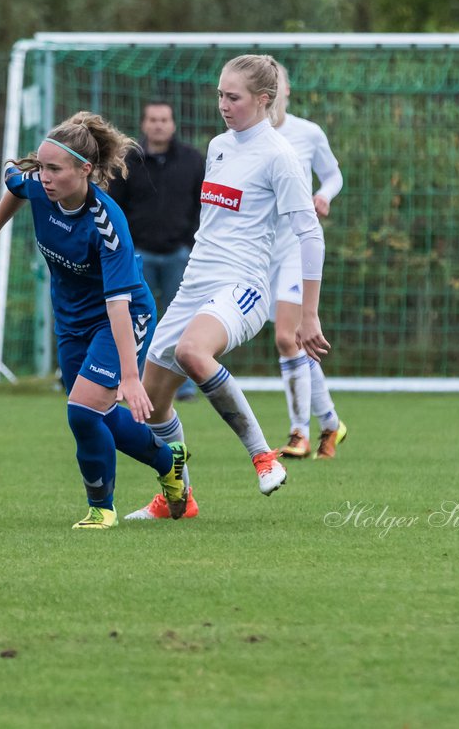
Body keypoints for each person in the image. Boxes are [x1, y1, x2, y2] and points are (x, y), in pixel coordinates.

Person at [126, 54, 329, 521]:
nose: (223, 104)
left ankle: (263, 456)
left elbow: (309, 234)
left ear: (262, 100)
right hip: (195, 285)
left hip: (244, 287)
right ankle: (178, 499)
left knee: (195, 352)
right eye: (219, 94)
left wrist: (309, 314)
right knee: (154, 405)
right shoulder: (218, 146)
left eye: (233, 97)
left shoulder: (279, 156)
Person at [0, 111, 190, 529]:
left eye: (54, 169)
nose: (45, 177)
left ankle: (101, 509)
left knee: (83, 413)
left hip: (122, 317)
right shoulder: (38, 188)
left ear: (85, 170)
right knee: (99, 415)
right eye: (43, 167)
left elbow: (117, 304)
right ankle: (169, 461)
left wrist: (130, 376)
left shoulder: (107, 223)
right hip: (70, 321)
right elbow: (15, 181)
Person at [268, 64, 349, 460]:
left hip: (295, 248)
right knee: (295, 340)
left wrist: (324, 196)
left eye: (275, 84)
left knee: (287, 336)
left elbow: (333, 176)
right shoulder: (244, 137)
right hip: (259, 251)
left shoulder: (307, 132)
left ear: (286, 90)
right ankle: (331, 424)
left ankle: (299, 432)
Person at [110, 100, 206, 402]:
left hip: (180, 254)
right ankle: (133, 381)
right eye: (152, 119)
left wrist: (190, 243)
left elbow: (204, 205)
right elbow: (115, 207)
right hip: (138, 255)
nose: (158, 125)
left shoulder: (192, 160)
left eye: (164, 119)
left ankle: (184, 384)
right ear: (143, 124)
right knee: (136, 318)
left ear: (173, 124)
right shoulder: (126, 161)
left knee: (183, 319)